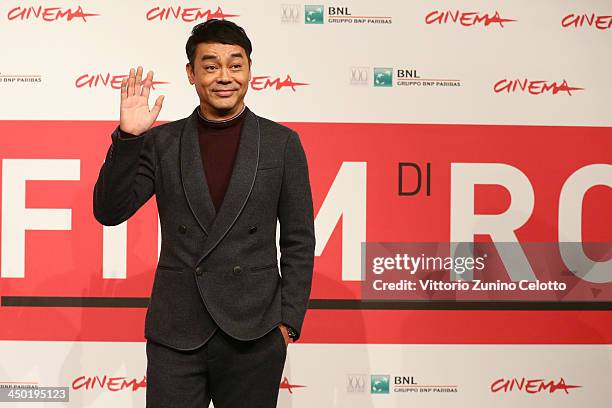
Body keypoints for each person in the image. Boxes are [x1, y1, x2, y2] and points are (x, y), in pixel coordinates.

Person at [92, 19, 315, 408]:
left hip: (255, 332)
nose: (224, 76)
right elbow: (109, 210)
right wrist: (129, 139)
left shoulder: (282, 144)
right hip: (176, 332)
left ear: (249, 70)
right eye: (210, 66)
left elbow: (298, 240)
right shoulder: (162, 142)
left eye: (235, 64)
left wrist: (287, 324)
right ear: (191, 74)